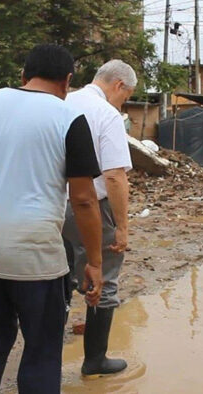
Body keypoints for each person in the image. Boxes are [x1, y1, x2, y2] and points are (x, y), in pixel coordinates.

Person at [0, 44, 104, 394]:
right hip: (35, 258)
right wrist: (94, 262)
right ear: (67, 81)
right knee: (42, 349)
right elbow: (83, 200)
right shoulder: (68, 118)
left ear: (23, 75)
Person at [62, 59, 136, 377]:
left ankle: (46, 357)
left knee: (60, 280)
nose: (123, 104)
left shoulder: (62, 101)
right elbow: (115, 176)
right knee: (103, 281)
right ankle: (95, 360)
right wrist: (122, 227)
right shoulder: (106, 114)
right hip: (90, 206)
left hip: (53, 206)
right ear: (118, 85)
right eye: (126, 97)